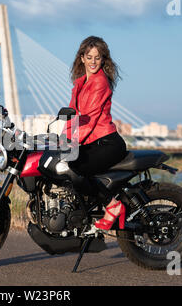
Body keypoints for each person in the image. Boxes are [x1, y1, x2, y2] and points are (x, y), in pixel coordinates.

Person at [64, 36, 128, 230]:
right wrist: (61, 139)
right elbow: (73, 116)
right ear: (82, 58)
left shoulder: (99, 82)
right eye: (89, 57)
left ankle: (112, 205)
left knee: (75, 167)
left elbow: (89, 119)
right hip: (94, 141)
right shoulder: (80, 83)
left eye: (97, 58)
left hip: (107, 142)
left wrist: (69, 143)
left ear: (103, 60)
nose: (93, 61)